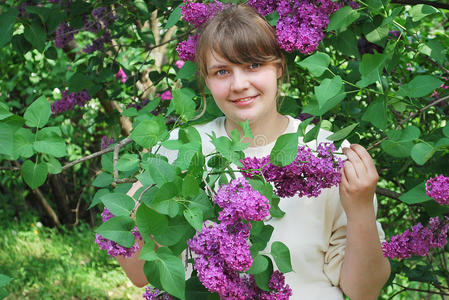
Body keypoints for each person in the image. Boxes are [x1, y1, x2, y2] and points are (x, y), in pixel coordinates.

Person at [118, 4, 391, 300]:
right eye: (222, 71)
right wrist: (137, 200)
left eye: (253, 66)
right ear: (206, 81)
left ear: (278, 68)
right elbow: (140, 274)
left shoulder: (328, 155)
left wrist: (361, 208)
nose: (239, 84)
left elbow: (364, 292)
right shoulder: (182, 148)